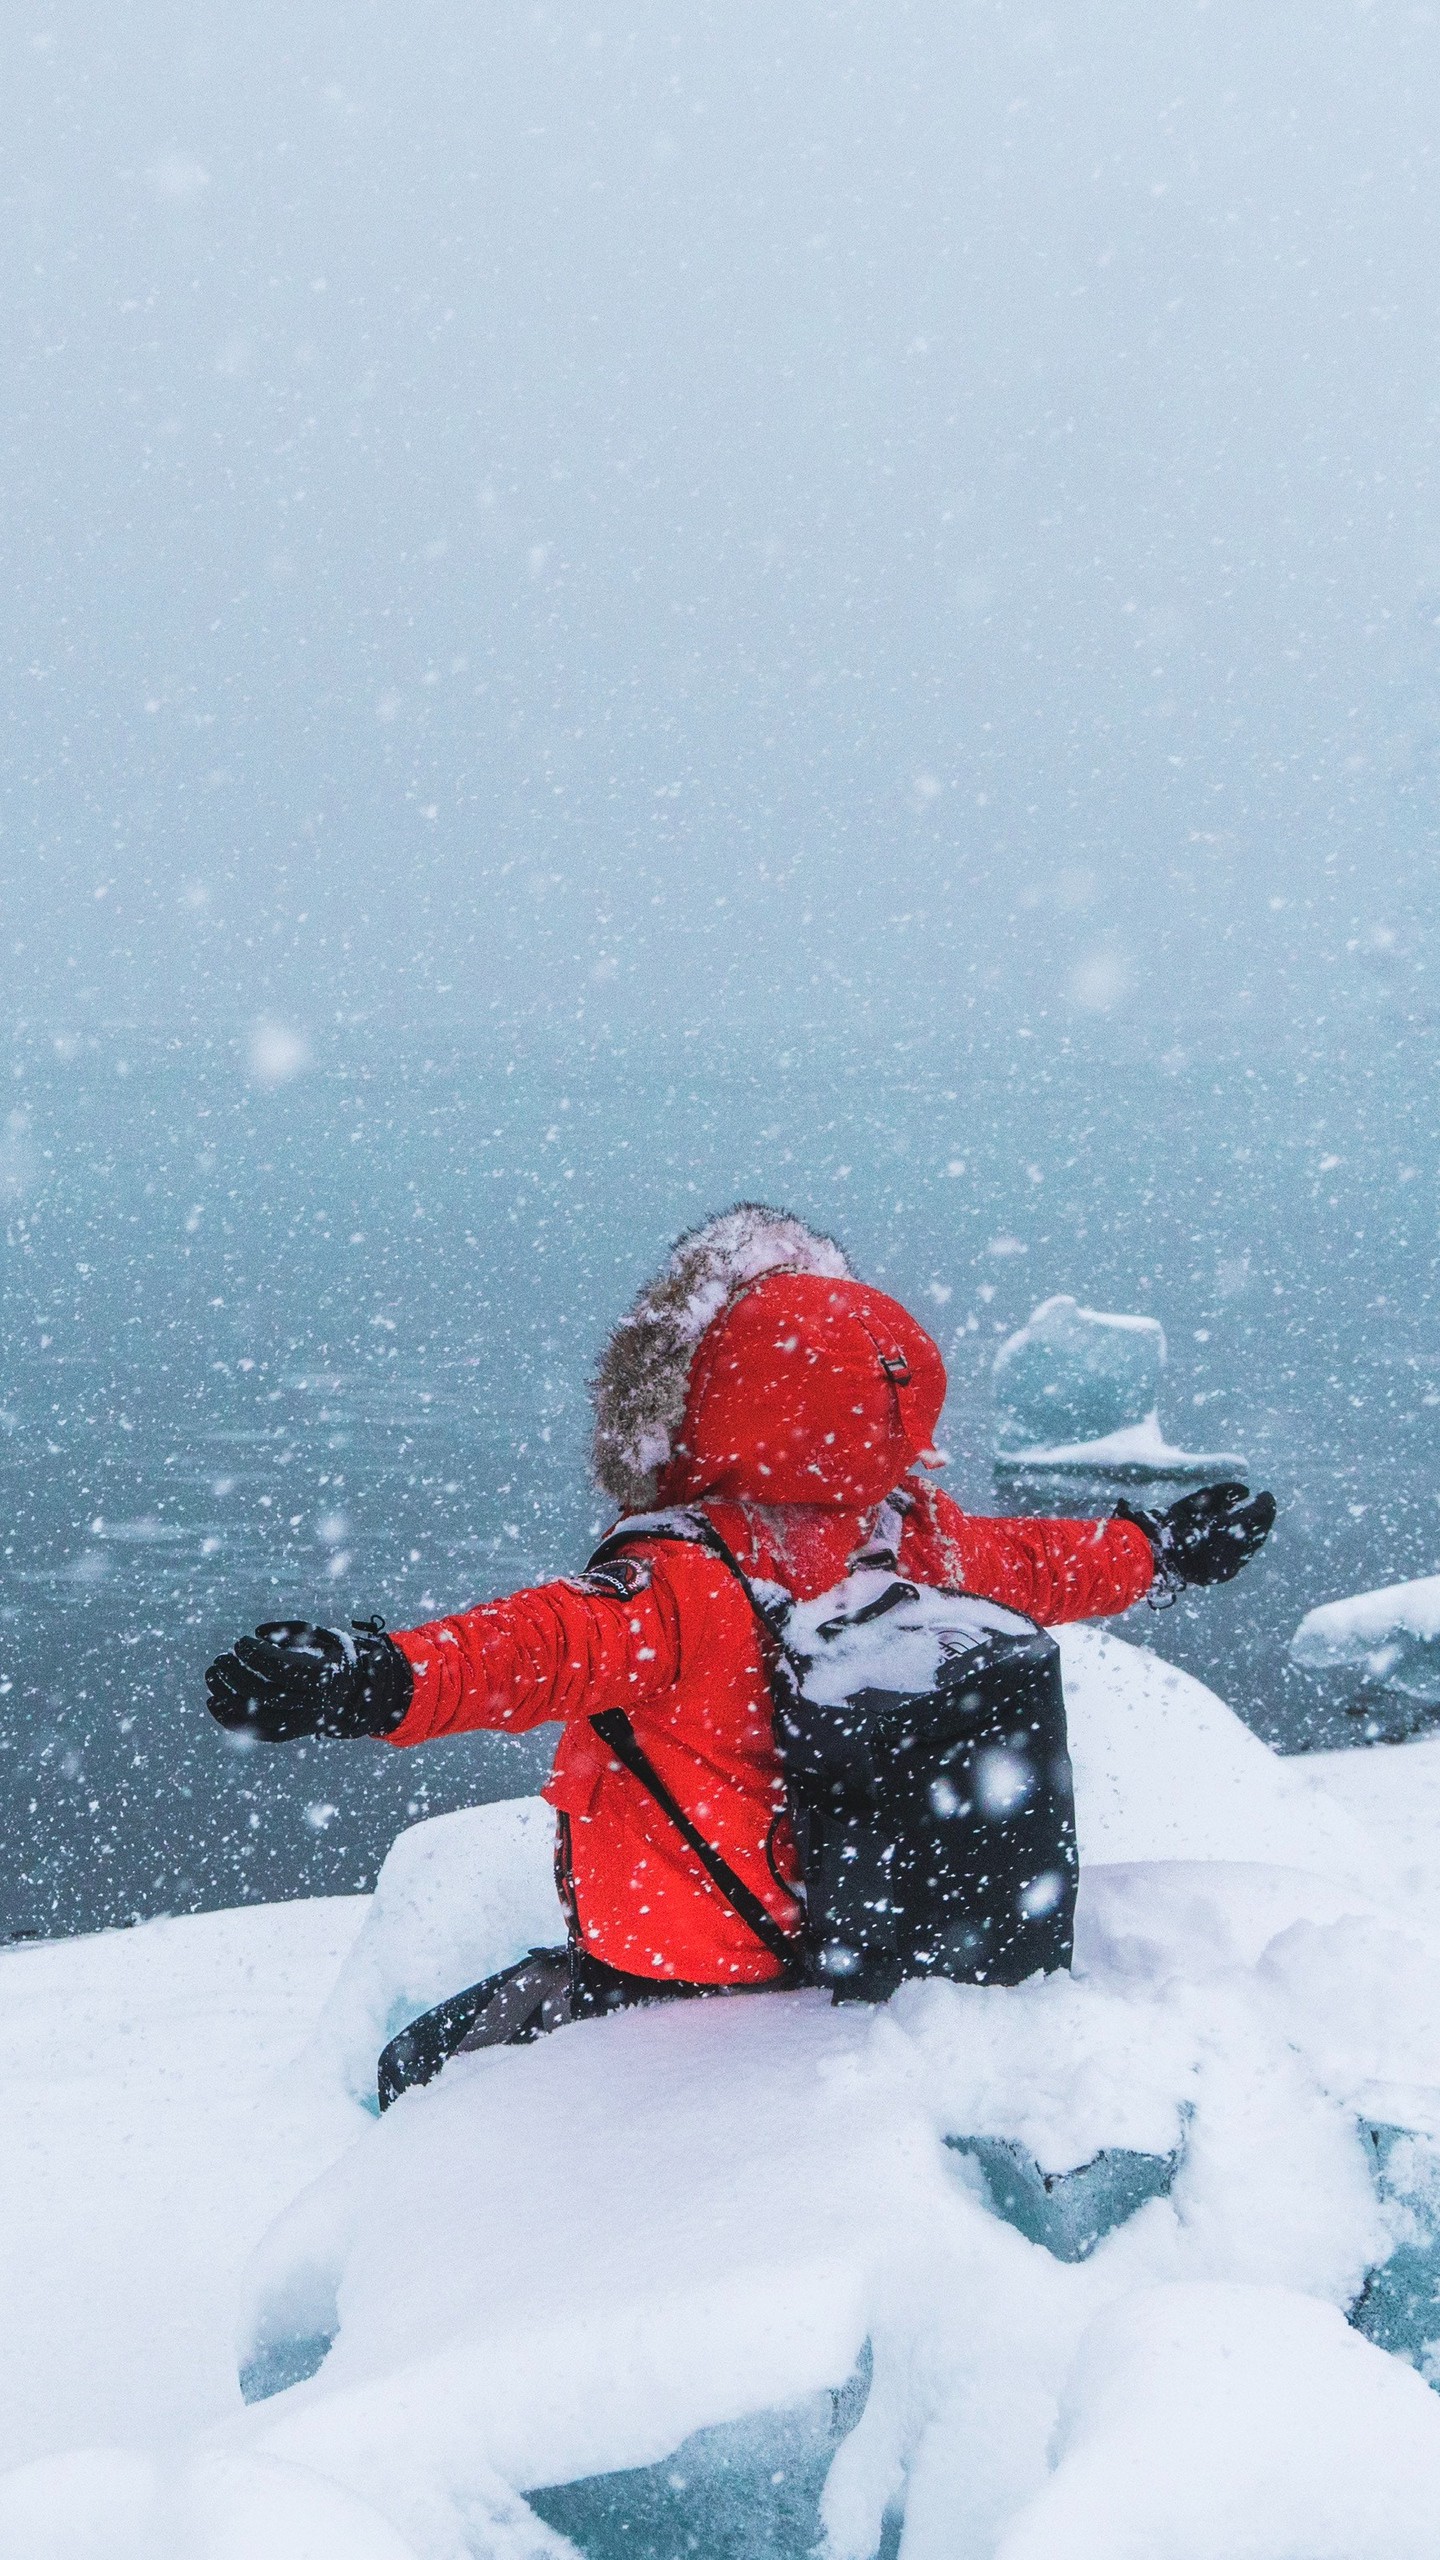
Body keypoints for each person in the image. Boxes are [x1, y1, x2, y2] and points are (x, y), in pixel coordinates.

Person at [206, 1206, 1274, 2057]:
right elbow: (1046, 1565)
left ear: (708, 1392)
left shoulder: (682, 1581)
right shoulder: (915, 1539)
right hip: (854, 1942)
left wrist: (370, 1677)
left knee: (405, 2071)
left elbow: (527, 1652)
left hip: (680, 1986)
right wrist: (1161, 1545)